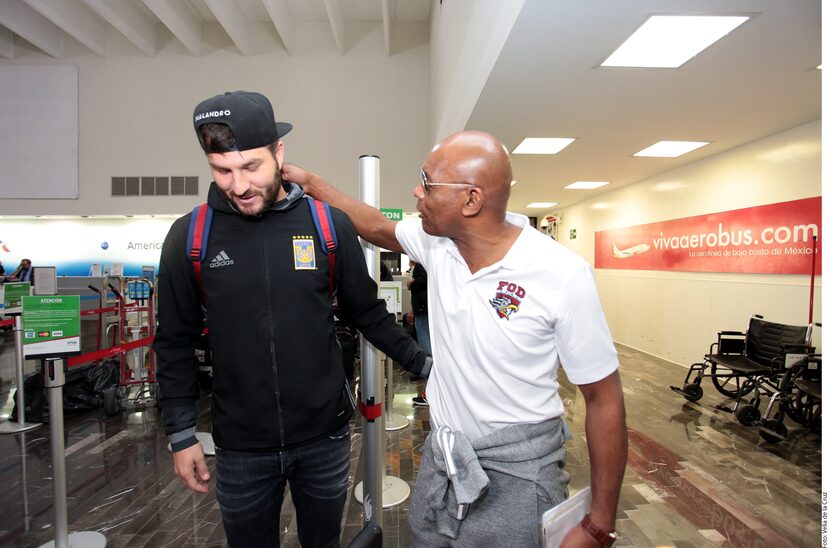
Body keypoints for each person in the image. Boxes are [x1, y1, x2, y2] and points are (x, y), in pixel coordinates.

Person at [282, 130, 627, 548]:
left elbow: (604, 398)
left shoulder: (561, 274)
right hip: (444, 462)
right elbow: (374, 225)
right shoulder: (437, 244)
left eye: (427, 183)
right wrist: (311, 182)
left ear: (471, 200)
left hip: (518, 473)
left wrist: (599, 522)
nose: (416, 191)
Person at [153, 91, 431, 548]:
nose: (238, 184)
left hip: (323, 439)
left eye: (251, 167)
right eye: (222, 170)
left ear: (279, 153)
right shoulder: (190, 236)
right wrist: (182, 434)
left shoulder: (327, 225)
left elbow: (367, 313)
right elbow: (173, 341)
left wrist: (427, 367)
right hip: (240, 447)